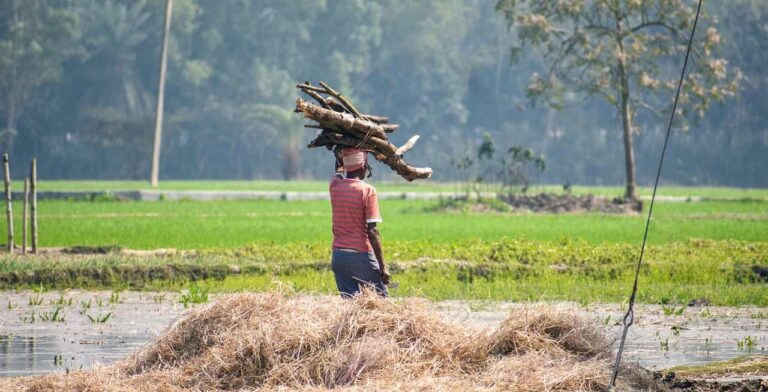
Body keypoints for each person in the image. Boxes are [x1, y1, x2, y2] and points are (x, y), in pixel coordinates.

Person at [329, 147, 390, 298]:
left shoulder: (335, 186)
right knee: (380, 301)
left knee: (350, 306)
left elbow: (338, 170)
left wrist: (341, 151)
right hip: (361, 256)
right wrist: (383, 267)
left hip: (339, 257)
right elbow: (372, 231)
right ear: (363, 166)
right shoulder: (367, 191)